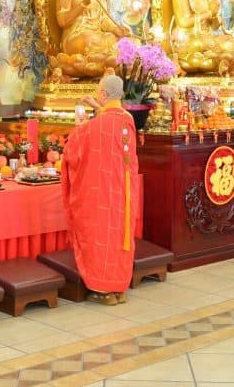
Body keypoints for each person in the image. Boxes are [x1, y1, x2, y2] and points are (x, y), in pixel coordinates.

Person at [62, 75, 141, 305]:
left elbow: (72, 152)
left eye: (99, 92)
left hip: (102, 192)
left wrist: (79, 126)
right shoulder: (127, 119)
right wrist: (98, 107)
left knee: (100, 235)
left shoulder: (92, 127)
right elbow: (111, 120)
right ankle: (119, 288)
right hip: (124, 192)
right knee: (120, 236)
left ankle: (103, 290)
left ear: (104, 94)